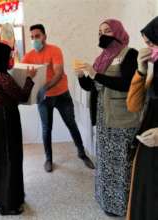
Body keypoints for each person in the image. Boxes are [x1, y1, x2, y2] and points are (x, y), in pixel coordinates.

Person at [75, 19, 139, 217]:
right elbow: (92, 86)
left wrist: (95, 75)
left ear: (118, 32)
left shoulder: (130, 54)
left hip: (121, 119)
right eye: (100, 31)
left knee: (121, 163)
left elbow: (128, 84)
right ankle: (106, 201)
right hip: (103, 119)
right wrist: (81, 77)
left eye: (108, 31)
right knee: (105, 161)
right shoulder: (102, 57)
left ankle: (122, 206)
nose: (103, 35)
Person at [22, 24, 94, 173]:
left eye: (37, 36)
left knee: (71, 124)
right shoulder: (29, 56)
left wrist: (44, 88)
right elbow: (20, 72)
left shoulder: (55, 50)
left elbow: (59, 73)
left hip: (62, 95)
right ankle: (48, 159)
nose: (34, 39)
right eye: (32, 37)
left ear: (44, 36)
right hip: (43, 99)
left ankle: (82, 153)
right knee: (46, 129)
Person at [0, 42, 36, 215]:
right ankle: (10, 205)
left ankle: (3, 199)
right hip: (5, 122)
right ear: (2, 58)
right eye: (9, 56)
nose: (11, 58)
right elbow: (22, 96)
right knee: (10, 160)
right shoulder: (3, 78)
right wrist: (30, 78)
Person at [126, 16, 158, 220]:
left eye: (152, 43)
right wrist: (141, 70)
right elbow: (134, 105)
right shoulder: (155, 73)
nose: (148, 49)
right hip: (148, 143)